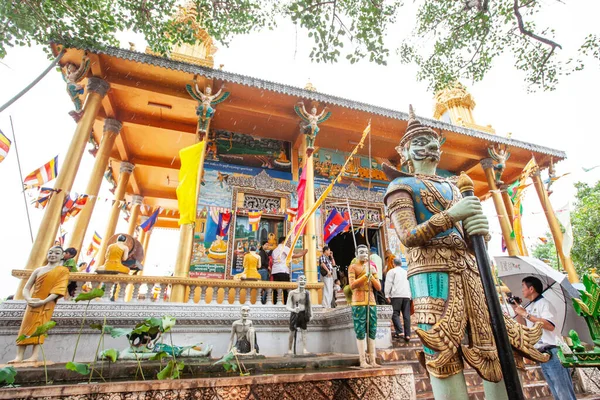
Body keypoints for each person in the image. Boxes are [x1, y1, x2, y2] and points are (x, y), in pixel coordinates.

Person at [512, 276, 577, 400]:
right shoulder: (530, 306)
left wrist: (526, 314)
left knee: (563, 392)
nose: (522, 290)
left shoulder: (544, 303)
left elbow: (549, 325)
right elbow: (523, 327)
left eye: (523, 287)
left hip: (553, 351)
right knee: (556, 392)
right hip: (541, 354)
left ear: (531, 289)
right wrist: (516, 310)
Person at [10, 246, 69, 363]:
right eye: (50, 252)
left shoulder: (63, 271)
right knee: (25, 328)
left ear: (62, 256)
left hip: (47, 303)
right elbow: (26, 288)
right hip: (33, 302)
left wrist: (44, 301)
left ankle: (34, 355)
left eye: (57, 253)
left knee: (41, 328)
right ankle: (19, 356)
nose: (53, 255)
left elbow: (58, 290)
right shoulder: (38, 270)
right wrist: (28, 298)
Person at [349, 244, 381, 368]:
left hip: (371, 300)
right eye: (361, 252)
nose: (364, 254)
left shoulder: (372, 267)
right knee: (360, 330)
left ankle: (372, 359)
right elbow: (352, 285)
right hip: (358, 301)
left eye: (366, 252)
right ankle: (362, 360)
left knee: (372, 329)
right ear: (356, 254)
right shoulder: (353, 267)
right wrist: (364, 276)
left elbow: (378, 287)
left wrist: (371, 276)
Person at [385, 258, 411, 341]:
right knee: (406, 315)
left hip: (396, 295)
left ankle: (400, 331)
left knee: (395, 313)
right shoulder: (406, 272)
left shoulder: (392, 272)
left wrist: (387, 295)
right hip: (406, 295)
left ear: (393, 263)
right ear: (401, 264)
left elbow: (388, 283)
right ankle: (408, 335)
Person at [271, 237, 291, 304]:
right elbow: (293, 255)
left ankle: (275, 303)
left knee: (275, 288)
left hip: (275, 271)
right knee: (286, 288)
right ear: (283, 241)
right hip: (283, 270)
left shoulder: (275, 250)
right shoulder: (284, 248)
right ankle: (286, 303)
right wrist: (303, 253)